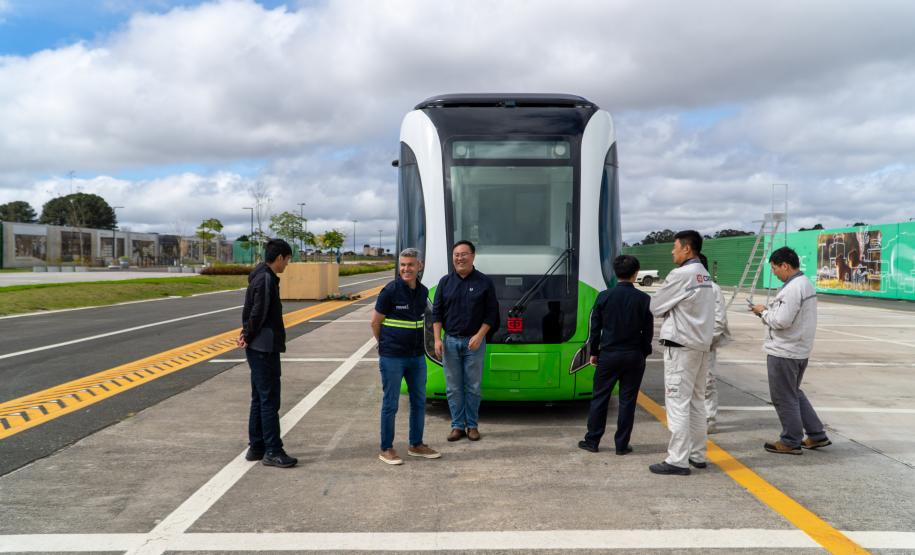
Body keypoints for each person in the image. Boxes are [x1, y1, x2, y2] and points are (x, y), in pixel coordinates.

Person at [648, 230, 716, 476]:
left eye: (675, 247)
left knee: (677, 403)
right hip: (700, 346)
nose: (672, 251)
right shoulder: (704, 275)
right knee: (697, 403)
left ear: (687, 249)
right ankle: (698, 455)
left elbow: (655, 306)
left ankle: (677, 460)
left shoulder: (681, 274)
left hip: (680, 347)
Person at [750, 246, 830, 455]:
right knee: (794, 393)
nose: (775, 273)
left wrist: (763, 312)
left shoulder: (793, 288)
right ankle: (816, 434)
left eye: (775, 268)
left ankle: (791, 440)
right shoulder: (804, 284)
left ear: (785, 265)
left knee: (784, 397)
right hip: (798, 349)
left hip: (784, 351)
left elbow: (781, 321)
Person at [371, 248, 441, 465]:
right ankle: (386, 448)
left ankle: (416, 444)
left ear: (419, 266)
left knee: (419, 401)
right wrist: (384, 345)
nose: (405, 269)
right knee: (390, 403)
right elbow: (375, 322)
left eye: (410, 264)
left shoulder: (422, 292)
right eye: (402, 264)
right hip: (393, 356)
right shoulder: (390, 291)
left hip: (417, 357)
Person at [578, 255, 653, 455]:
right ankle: (621, 445)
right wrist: (643, 352)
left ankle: (592, 441)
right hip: (634, 355)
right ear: (636, 273)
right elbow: (648, 330)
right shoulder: (644, 299)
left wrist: (594, 352)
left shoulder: (604, 296)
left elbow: (595, 329)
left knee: (600, 398)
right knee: (627, 401)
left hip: (609, 355)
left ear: (615, 273)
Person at [237, 239, 297, 468]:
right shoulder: (265, 279)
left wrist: (246, 335)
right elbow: (258, 312)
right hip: (264, 347)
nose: (287, 264)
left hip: (259, 346)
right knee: (269, 399)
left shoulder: (260, 275)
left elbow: (253, 312)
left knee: (259, 398)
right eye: (288, 260)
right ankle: (273, 450)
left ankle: (257, 446)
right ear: (279, 257)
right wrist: (247, 334)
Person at [432, 240, 500, 442]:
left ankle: (472, 426)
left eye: (464, 254)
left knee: (473, 386)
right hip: (450, 342)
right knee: (453, 387)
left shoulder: (484, 282)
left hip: (475, 343)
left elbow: (492, 314)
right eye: (456, 255)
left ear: (473, 256)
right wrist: (437, 339)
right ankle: (457, 426)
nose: (459, 258)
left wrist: (479, 336)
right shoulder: (445, 282)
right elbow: (437, 313)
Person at [699, 254, 731, 434]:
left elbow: (719, 320)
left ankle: (709, 420)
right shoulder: (685, 286)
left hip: (704, 344)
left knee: (707, 383)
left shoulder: (713, 289)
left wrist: (707, 341)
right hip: (688, 345)